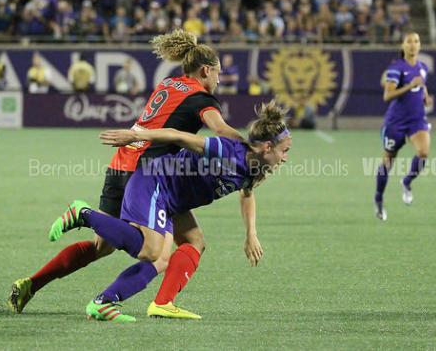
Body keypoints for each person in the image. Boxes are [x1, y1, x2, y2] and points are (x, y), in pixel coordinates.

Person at [9, 29, 243, 319]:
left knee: (103, 245)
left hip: (124, 160)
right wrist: (249, 145)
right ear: (206, 70)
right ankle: (118, 293)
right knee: (158, 254)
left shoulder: (170, 82)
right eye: (218, 73)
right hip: (147, 170)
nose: (219, 79)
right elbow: (220, 130)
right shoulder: (202, 99)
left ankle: (32, 284)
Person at [48, 101, 291, 322]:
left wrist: (251, 234)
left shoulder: (254, 168)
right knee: (151, 251)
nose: (285, 158)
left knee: (193, 244)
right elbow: (178, 137)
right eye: (285, 150)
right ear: (268, 146)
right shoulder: (229, 151)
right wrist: (135, 135)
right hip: (155, 181)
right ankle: (83, 214)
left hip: (173, 201)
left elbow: (247, 194)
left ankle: (119, 302)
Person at [374, 32, 433, 221]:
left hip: (417, 120)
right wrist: (409, 86)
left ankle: (407, 181)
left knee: (423, 153)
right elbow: (387, 96)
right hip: (396, 122)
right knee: (388, 161)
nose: (413, 45)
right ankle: (379, 199)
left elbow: (421, 86)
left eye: (416, 41)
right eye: (409, 42)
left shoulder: (422, 67)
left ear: (420, 45)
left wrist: (425, 95)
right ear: (403, 46)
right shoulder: (396, 68)